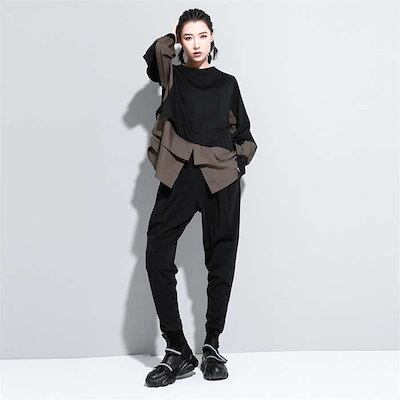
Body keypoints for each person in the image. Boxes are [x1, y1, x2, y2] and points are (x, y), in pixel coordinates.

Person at [142, 8, 257, 387]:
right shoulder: (172, 76)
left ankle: (212, 345)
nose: (196, 44)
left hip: (220, 176)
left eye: (203, 36)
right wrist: (173, 37)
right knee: (157, 253)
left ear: (213, 37)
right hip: (180, 172)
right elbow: (157, 52)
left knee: (221, 258)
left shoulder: (227, 84)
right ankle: (177, 349)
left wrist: (237, 165)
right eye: (188, 37)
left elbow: (244, 135)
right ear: (180, 40)